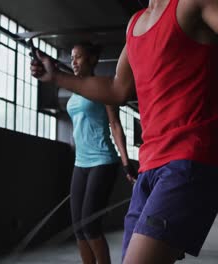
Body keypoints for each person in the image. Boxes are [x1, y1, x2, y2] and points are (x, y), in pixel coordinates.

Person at [31, 0, 218, 263]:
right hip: (149, 167)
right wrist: (57, 77)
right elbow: (117, 89)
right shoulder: (135, 24)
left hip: (189, 161)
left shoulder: (190, 4)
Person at [64, 42, 136, 264]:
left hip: (102, 161)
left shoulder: (103, 87)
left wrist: (126, 163)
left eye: (79, 57)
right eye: (72, 58)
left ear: (92, 60)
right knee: (78, 227)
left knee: (90, 225)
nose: (73, 62)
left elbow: (115, 125)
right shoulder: (75, 91)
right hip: (80, 163)